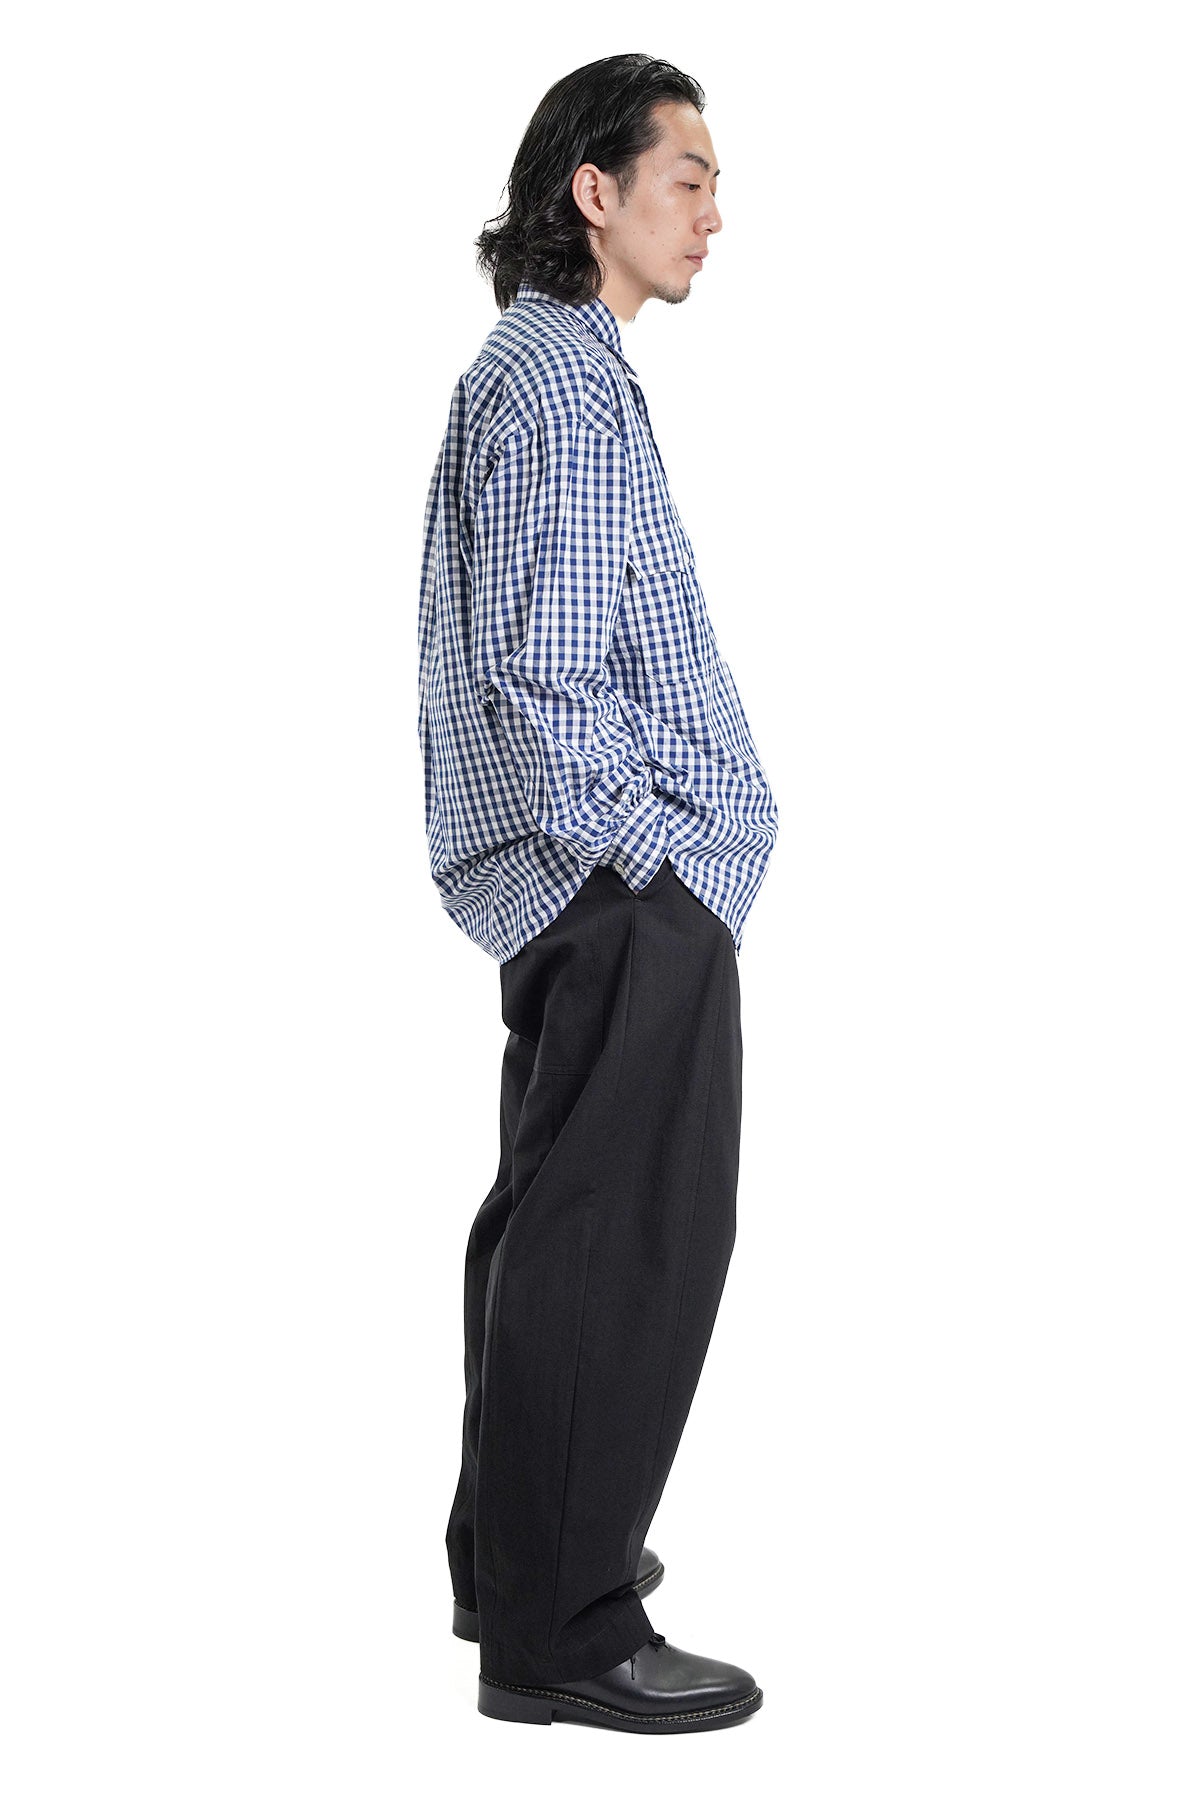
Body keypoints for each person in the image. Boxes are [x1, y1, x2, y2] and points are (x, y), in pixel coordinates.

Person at [417, 53, 780, 1734]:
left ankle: (522, 1574)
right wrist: (657, 859)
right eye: (687, 177)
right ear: (596, 192)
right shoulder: (560, 383)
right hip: (617, 881)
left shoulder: (548, 368)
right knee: (621, 1241)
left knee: (555, 1224)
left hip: (588, 880)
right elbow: (546, 665)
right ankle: (563, 1629)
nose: (713, 211)